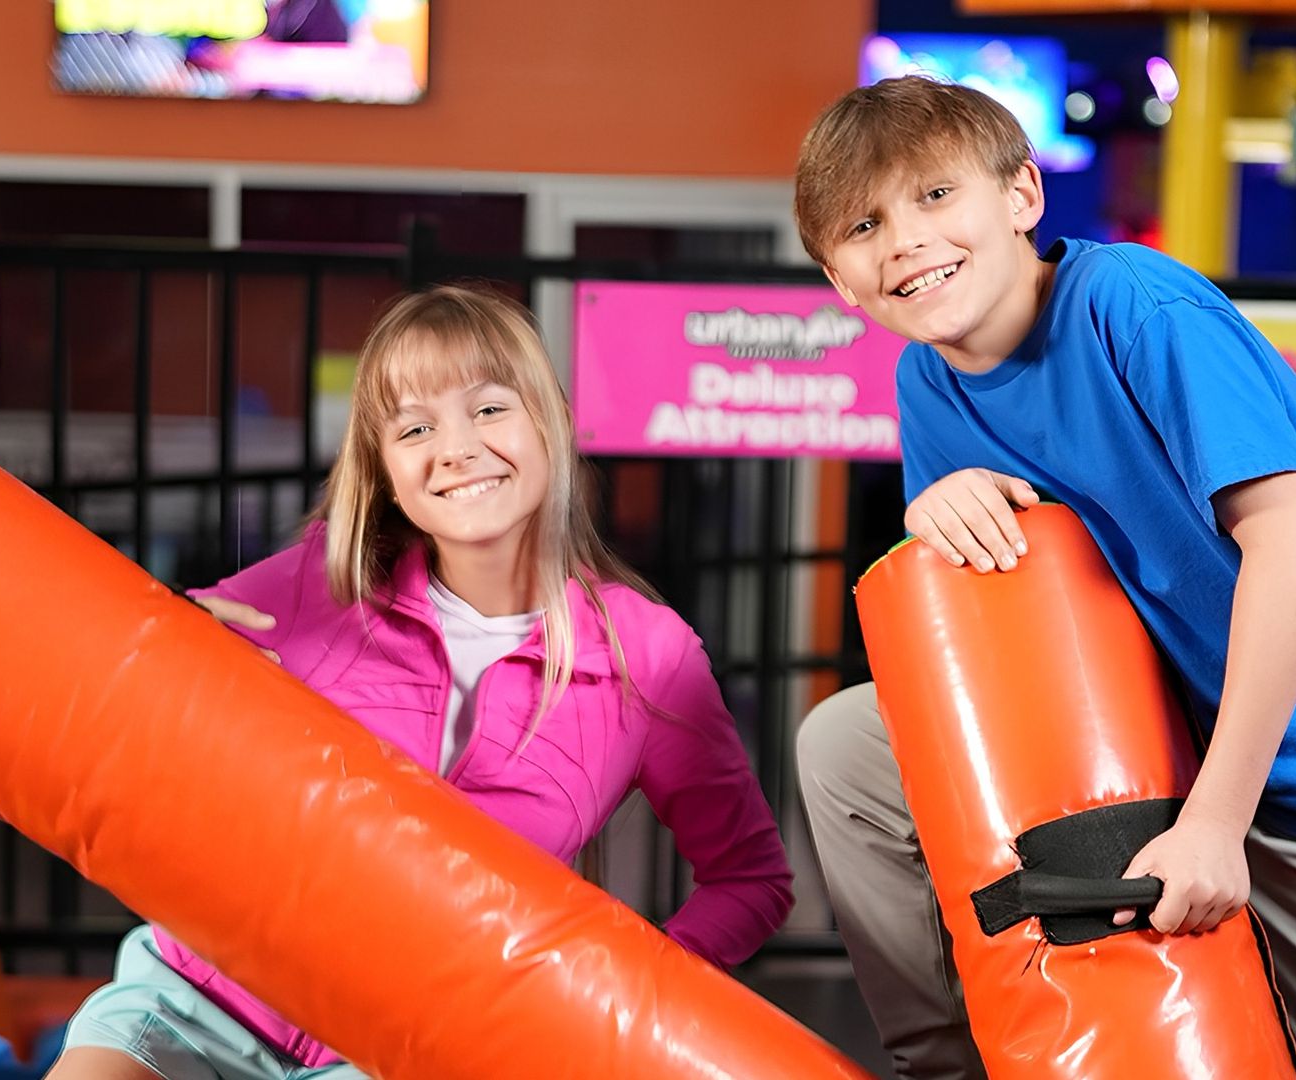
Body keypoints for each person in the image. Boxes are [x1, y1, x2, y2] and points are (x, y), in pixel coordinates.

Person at [790, 76, 1296, 1080]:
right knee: (847, 744)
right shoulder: (926, 380)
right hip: (1174, 721)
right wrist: (932, 518)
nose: (905, 239)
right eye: (864, 225)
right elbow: (995, 623)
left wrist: (1216, 826)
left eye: (934, 196)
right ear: (838, 278)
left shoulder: (1135, 304)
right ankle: (942, 1064)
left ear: (1021, 198)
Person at [50, 285, 793, 1079]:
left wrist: (624, 996)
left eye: (489, 409)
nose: (457, 447)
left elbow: (751, 880)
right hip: (199, 997)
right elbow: (144, 662)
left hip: (403, 1049)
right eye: (415, 428)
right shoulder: (317, 584)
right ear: (388, 471)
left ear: (554, 422)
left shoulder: (647, 654)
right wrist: (180, 655)